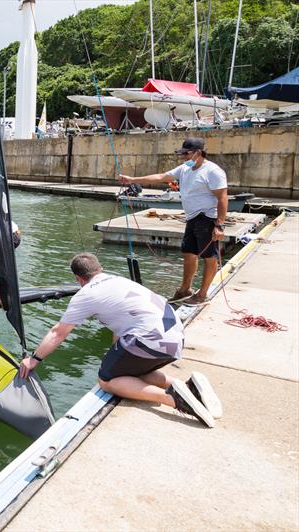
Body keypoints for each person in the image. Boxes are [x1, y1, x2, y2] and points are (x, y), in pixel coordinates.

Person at [19, 252, 222, 428]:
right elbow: (121, 328)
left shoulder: (86, 295)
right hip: (176, 337)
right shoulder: (119, 280)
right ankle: (185, 386)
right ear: (100, 269)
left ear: (78, 279)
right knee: (131, 371)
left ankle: (174, 400)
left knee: (107, 380)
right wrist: (118, 358)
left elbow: (58, 332)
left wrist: (34, 359)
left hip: (149, 339)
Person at [120, 137, 228, 306]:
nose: (183, 157)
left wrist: (219, 225)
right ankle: (185, 289)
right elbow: (161, 177)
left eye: (187, 153)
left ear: (198, 153)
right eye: (183, 153)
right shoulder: (185, 168)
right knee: (188, 254)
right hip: (192, 217)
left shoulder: (213, 171)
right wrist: (133, 180)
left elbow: (222, 198)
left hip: (207, 218)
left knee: (209, 257)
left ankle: (203, 294)